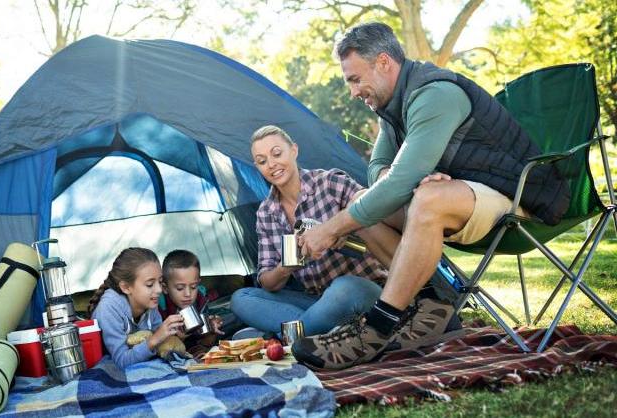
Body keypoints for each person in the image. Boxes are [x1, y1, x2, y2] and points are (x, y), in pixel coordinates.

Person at [292, 22, 569, 370]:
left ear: (382, 63)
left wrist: (331, 228)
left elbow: (397, 185)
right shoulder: (392, 109)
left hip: (518, 196)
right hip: (467, 194)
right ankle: (432, 304)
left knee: (427, 198)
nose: (352, 92)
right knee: (363, 201)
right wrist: (402, 176)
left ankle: (377, 328)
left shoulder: (435, 94)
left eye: (354, 79)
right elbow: (378, 171)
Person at [230, 125, 395, 338]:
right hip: (316, 301)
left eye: (277, 154)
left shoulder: (330, 182)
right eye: (262, 161)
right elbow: (267, 281)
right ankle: (325, 331)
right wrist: (287, 266)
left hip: (362, 289)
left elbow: (371, 207)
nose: (272, 164)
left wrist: (337, 232)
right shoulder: (266, 213)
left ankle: (285, 338)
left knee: (343, 287)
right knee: (241, 298)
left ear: (294, 150)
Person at [88, 247, 184, 369]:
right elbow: (121, 360)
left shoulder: (149, 302)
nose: (159, 290)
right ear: (126, 287)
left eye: (160, 282)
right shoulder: (108, 309)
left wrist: (173, 334)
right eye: (150, 284)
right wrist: (155, 338)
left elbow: (161, 341)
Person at [159, 249, 224, 358]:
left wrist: (212, 326)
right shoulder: (160, 307)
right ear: (165, 288)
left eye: (193, 287)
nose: (188, 294)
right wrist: (178, 338)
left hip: (195, 343)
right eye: (180, 288)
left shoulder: (200, 300)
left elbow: (202, 331)